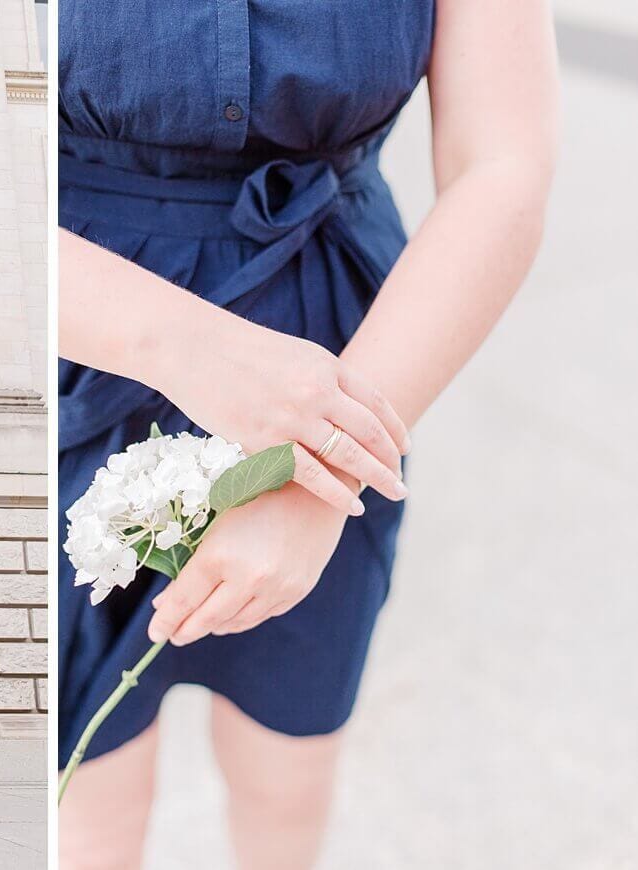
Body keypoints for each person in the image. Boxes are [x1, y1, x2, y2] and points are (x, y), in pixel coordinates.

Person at [57, 1, 558, 867]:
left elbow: (503, 164)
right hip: (78, 337)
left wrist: (320, 466)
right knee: (90, 792)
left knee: (285, 770)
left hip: (349, 348)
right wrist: (193, 350)